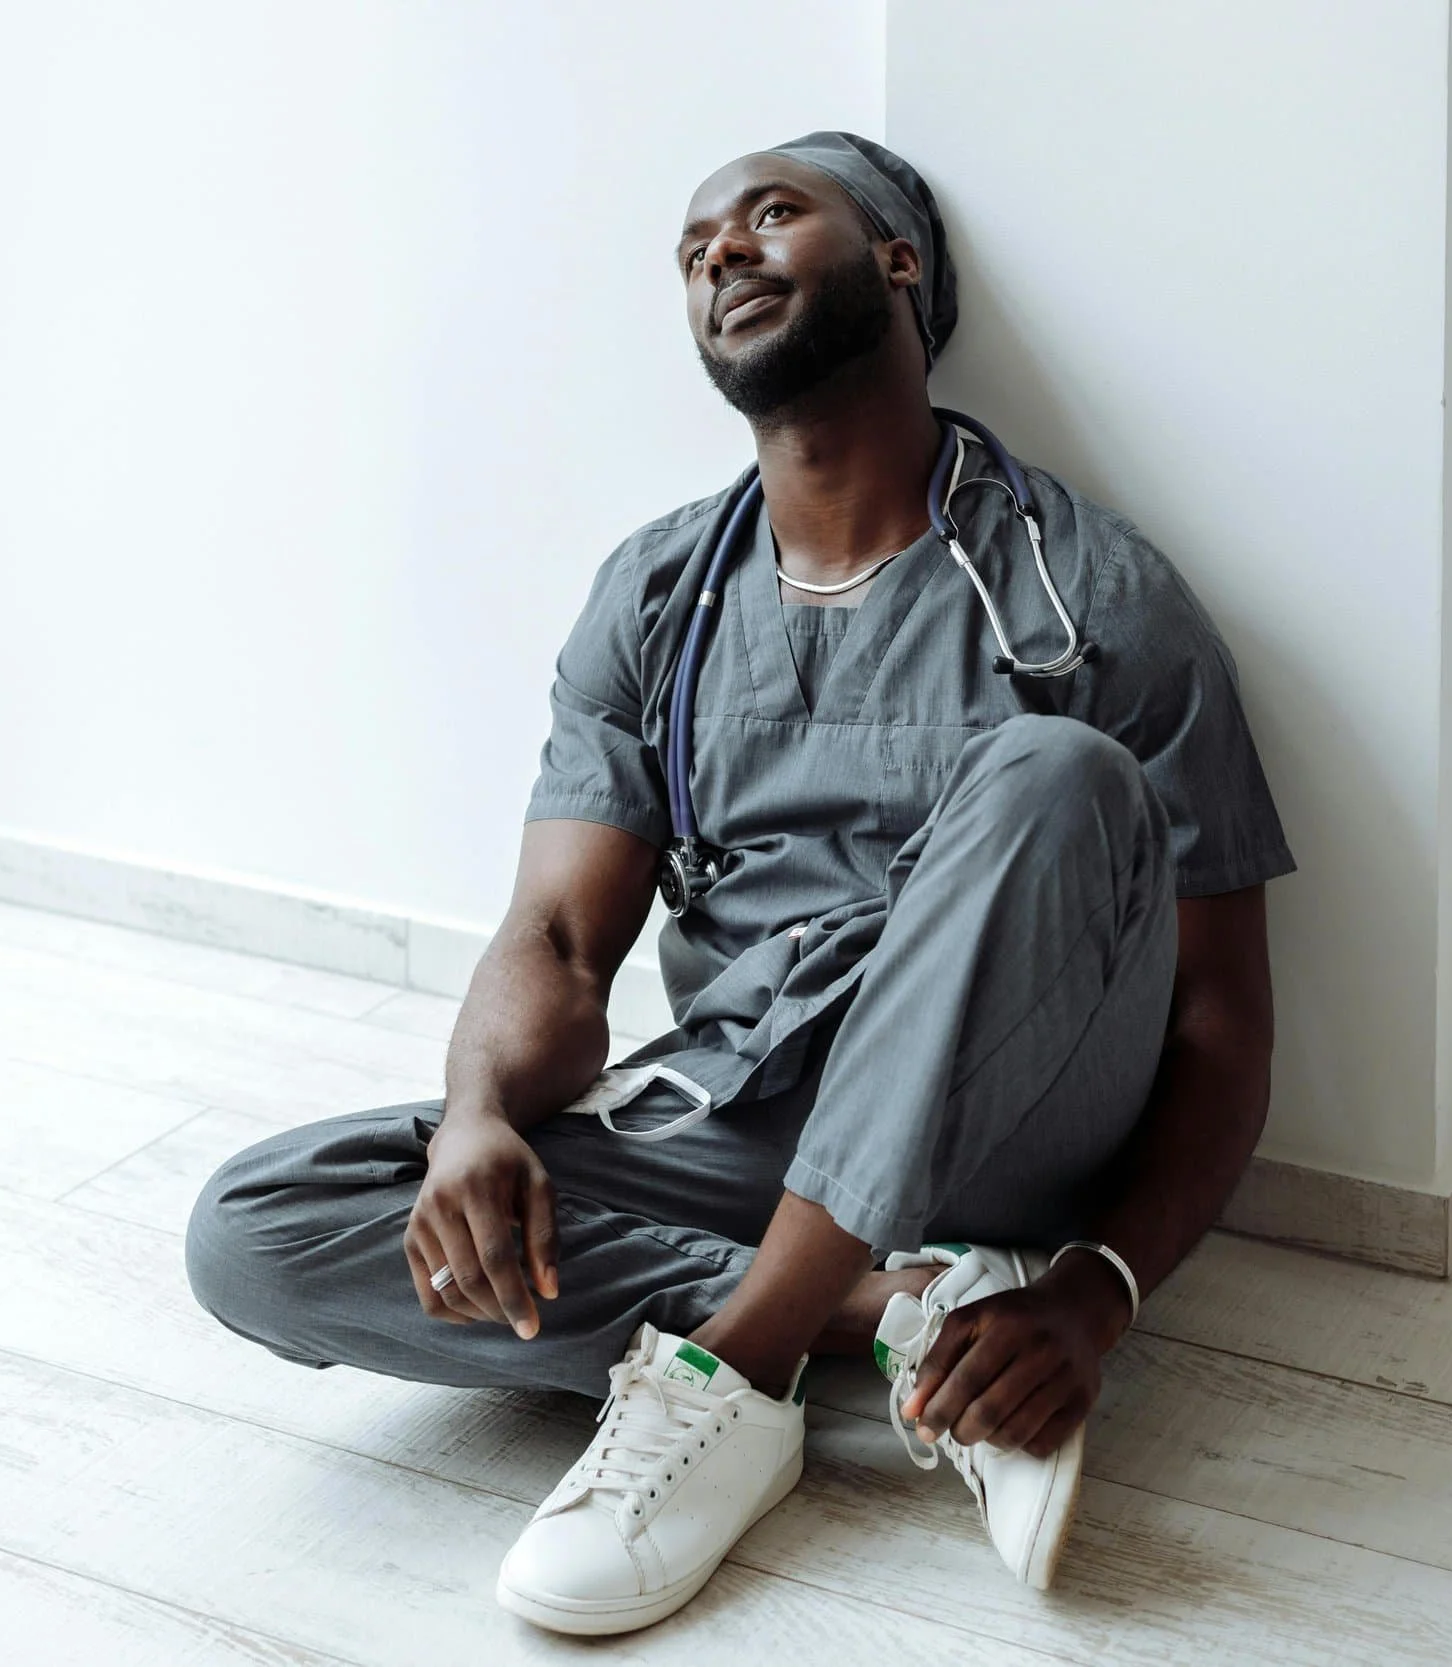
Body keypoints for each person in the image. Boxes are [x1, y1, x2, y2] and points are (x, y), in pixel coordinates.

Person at [187, 130, 1292, 1636]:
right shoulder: (657, 598)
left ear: (898, 260)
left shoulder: (1088, 593)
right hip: (739, 1117)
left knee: (1055, 771)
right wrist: (475, 1119)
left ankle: (738, 1365)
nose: (722, 251)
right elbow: (561, 939)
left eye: (774, 214)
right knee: (258, 1224)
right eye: (696, 242)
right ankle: (906, 1312)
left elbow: (1223, 1019)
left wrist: (1099, 1287)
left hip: (1008, 1113)